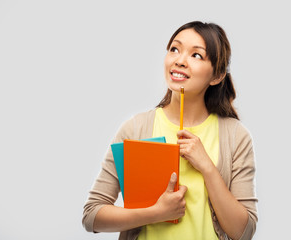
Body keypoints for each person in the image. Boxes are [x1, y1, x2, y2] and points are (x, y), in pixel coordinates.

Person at [82, 21, 258, 240]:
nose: (180, 61)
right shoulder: (136, 128)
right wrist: (156, 213)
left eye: (196, 55)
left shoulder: (235, 136)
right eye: (175, 49)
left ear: (217, 76)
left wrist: (207, 167)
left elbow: (244, 232)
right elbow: (92, 216)